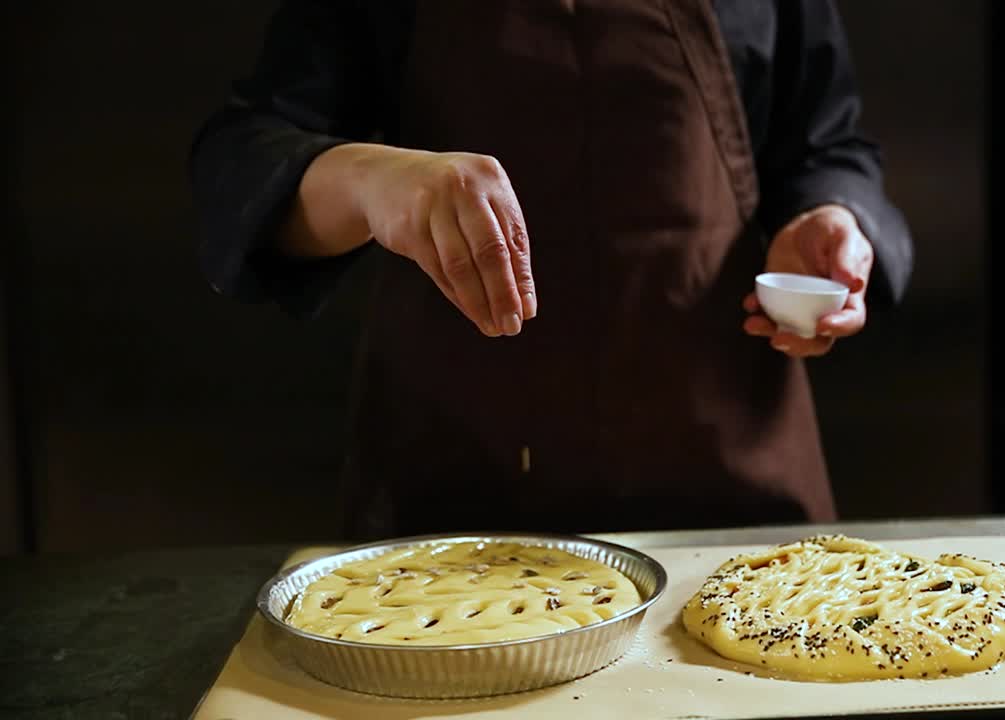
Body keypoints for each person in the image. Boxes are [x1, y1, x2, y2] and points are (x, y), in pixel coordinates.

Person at [190, 1, 912, 538]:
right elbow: (237, 163)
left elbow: (830, 144)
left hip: (731, 481)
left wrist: (831, 217)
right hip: (454, 499)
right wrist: (365, 179)